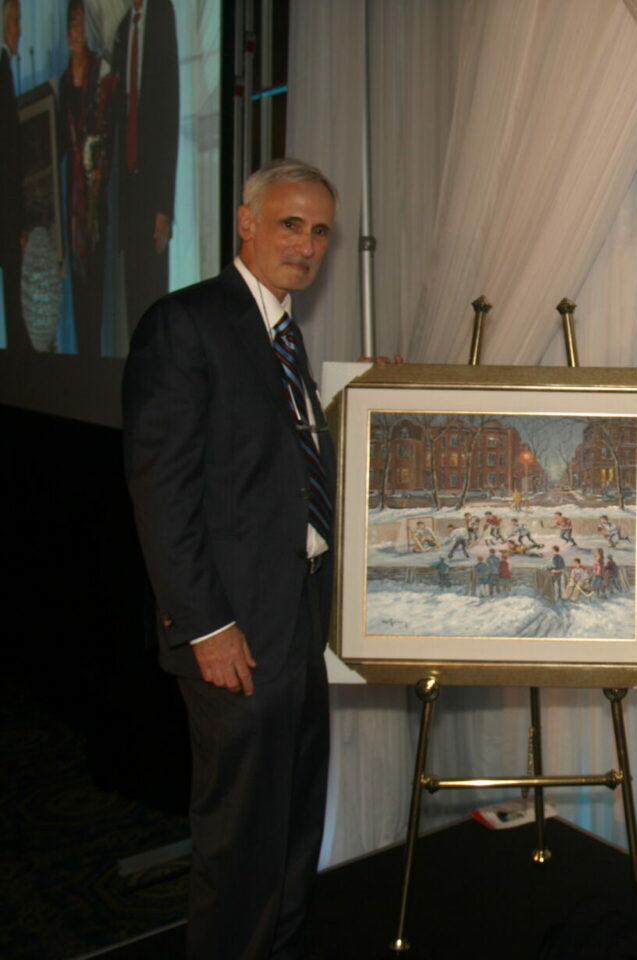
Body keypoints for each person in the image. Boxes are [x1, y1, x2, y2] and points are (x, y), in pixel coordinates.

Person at [123, 159, 338, 959]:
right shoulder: (187, 322)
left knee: (289, 827)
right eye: (291, 224)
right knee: (240, 840)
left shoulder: (281, 332)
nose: (307, 244)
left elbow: (268, 470)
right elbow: (161, 491)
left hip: (294, 617)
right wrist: (206, 624)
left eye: (320, 231)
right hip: (233, 629)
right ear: (245, 223)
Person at [111, 0, 178, 334]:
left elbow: (169, 111)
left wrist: (164, 205)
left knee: (154, 300)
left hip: (153, 192)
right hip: (128, 188)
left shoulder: (162, 14)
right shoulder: (123, 29)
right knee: (133, 302)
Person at [58, 0, 117, 356]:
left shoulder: (101, 71)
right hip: (73, 201)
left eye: (82, 25)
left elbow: (109, 125)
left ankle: (96, 361)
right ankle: (82, 357)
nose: (77, 32)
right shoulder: (64, 81)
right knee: (78, 286)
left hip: (97, 196)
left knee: (96, 285)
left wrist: (100, 167)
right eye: (73, 25)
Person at [0, 0, 26, 353]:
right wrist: (19, 222)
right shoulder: (2, 64)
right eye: (16, 21)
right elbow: (10, 154)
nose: (19, 29)